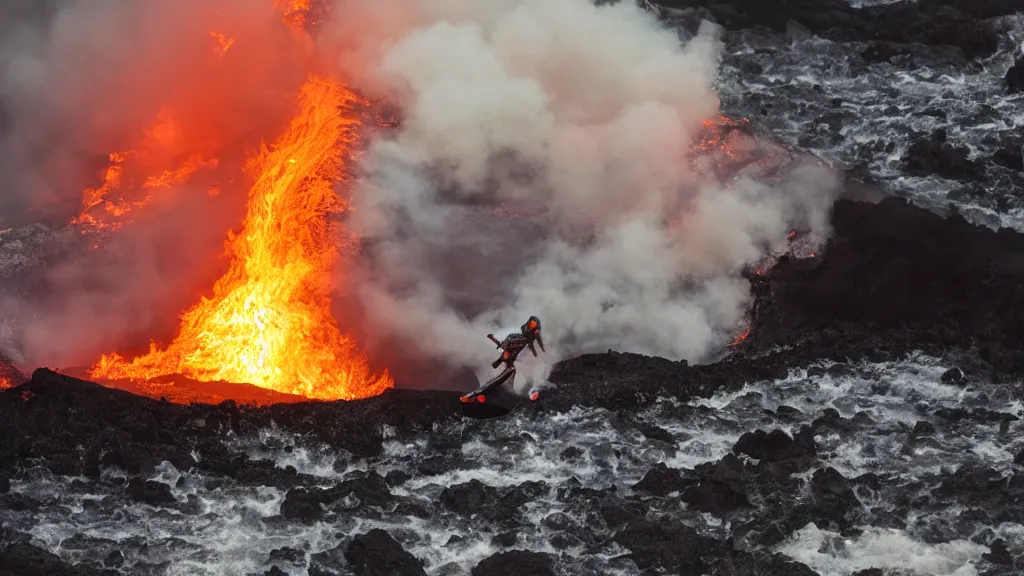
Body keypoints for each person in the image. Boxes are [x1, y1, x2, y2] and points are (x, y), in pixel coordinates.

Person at [462, 316, 544, 403]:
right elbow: (499, 348)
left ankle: (481, 396)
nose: (534, 330)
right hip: (502, 368)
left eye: (535, 327)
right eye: (532, 326)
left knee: (511, 380)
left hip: (512, 372)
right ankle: (474, 395)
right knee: (508, 372)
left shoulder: (529, 345)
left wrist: (533, 391)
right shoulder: (512, 337)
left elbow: (535, 373)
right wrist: (504, 353)